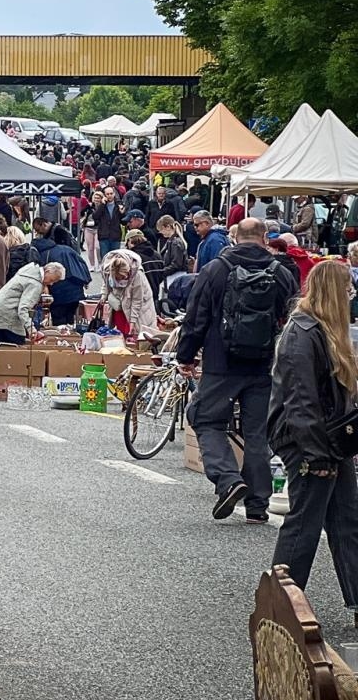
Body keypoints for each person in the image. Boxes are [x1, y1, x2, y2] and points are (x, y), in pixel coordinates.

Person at [177, 217, 299, 522]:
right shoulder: (281, 273)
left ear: (235, 238)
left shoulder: (215, 270)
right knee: (257, 432)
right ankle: (258, 505)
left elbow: (196, 317)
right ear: (264, 238)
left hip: (221, 363)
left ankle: (228, 479)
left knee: (204, 419)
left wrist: (187, 355)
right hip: (263, 366)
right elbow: (292, 318)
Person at [269, 258, 358, 600]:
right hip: (307, 439)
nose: (351, 295)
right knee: (305, 521)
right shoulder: (302, 333)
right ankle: (282, 601)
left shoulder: (319, 330)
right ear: (336, 293)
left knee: (346, 518)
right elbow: (300, 400)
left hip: (327, 438)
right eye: (348, 289)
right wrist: (316, 453)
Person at [0, 260, 64, 345]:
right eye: (52, 280)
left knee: (3, 346)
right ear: (47, 271)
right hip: (8, 314)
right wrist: (31, 329)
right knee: (16, 347)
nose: (51, 284)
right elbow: (23, 309)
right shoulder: (35, 284)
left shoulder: (29, 272)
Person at [98, 246, 160, 338]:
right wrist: (103, 295)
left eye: (124, 277)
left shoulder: (137, 274)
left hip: (139, 306)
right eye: (118, 278)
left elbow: (137, 300)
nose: (123, 280)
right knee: (120, 332)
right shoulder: (108, 270)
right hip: (119, 305)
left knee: (137, 332)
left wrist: (132, 322)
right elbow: (106, 283)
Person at [43, 229, 92, 326]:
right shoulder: (70, 250)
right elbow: (83, 266)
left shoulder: (47, 253)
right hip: (75, 294)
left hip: (58, 295)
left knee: (59, 322)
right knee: (70, 321)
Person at [93, 189, 124, 260]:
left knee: (115, 259)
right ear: (104, 195)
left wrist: (122, 213)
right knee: (105, 258)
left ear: (114, 194)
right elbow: (95, 217)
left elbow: (124, 222)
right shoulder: (101, 205)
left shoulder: (119, 205)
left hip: (115, 235)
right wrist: (102, 205)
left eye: (111, 193)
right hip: (104, 235)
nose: (109, 196)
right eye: (107, 194)